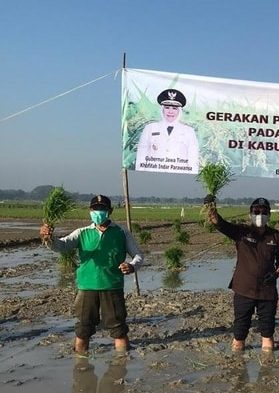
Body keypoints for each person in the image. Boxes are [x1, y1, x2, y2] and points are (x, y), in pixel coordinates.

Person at [40, 195, 143, 355]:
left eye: (102, 209)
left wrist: (131, 266)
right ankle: (80, 364)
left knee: (119, 329)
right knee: (83, 329)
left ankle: (122, 364)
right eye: (95, 209)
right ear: (90, 211)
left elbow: (138, 256)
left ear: (110, 211)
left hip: (112, 286)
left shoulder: (121, 233)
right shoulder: (81, 233)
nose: (98, 212)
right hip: (87, 287)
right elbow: (62, 246)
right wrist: (49, 238)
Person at [206, 196, 279, 352]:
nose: (260, 215)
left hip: (267, 292)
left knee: (268, 337)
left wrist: (276, 274)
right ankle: (238, 370)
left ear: (269, 215)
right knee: (239, 337)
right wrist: (211, 207)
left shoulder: (275, 236)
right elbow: (219, 223)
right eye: (256, 211)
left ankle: (268, 372)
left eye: (264, 212)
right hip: (244, 289)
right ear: (250, 214)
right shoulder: (241, 232)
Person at [135, 88, 200, 174]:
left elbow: (193, 159)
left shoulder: (189, 131)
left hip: (178, 177)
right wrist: (140, 175)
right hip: (152, 176)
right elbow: (141, 155)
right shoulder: (149, 128)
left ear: (179, 111)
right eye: (167, 107)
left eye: (174, 108)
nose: (170, 111)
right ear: (162, 109)